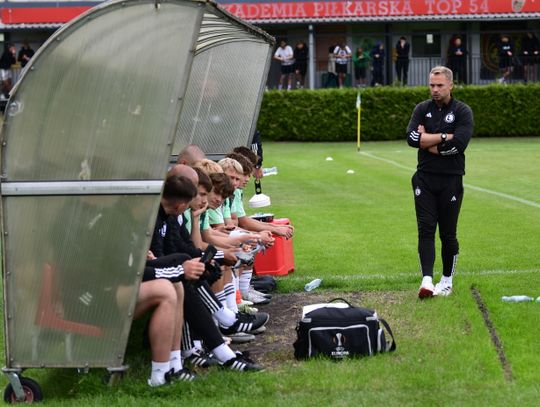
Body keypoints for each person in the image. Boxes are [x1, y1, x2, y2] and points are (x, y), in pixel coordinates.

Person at [406, 66, 474, 299]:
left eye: (439, 85)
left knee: (448, 234)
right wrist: (445, 136)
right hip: (424, 179)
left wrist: (428, 142)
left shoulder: (462, 111)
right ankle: (426, 280)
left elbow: (459, 145)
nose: (434, 89)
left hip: (451, 180)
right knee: (425, 229)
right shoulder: (421, 109)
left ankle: (446, 281)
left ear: (450, 85)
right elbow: (412, 138)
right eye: (431, 85)